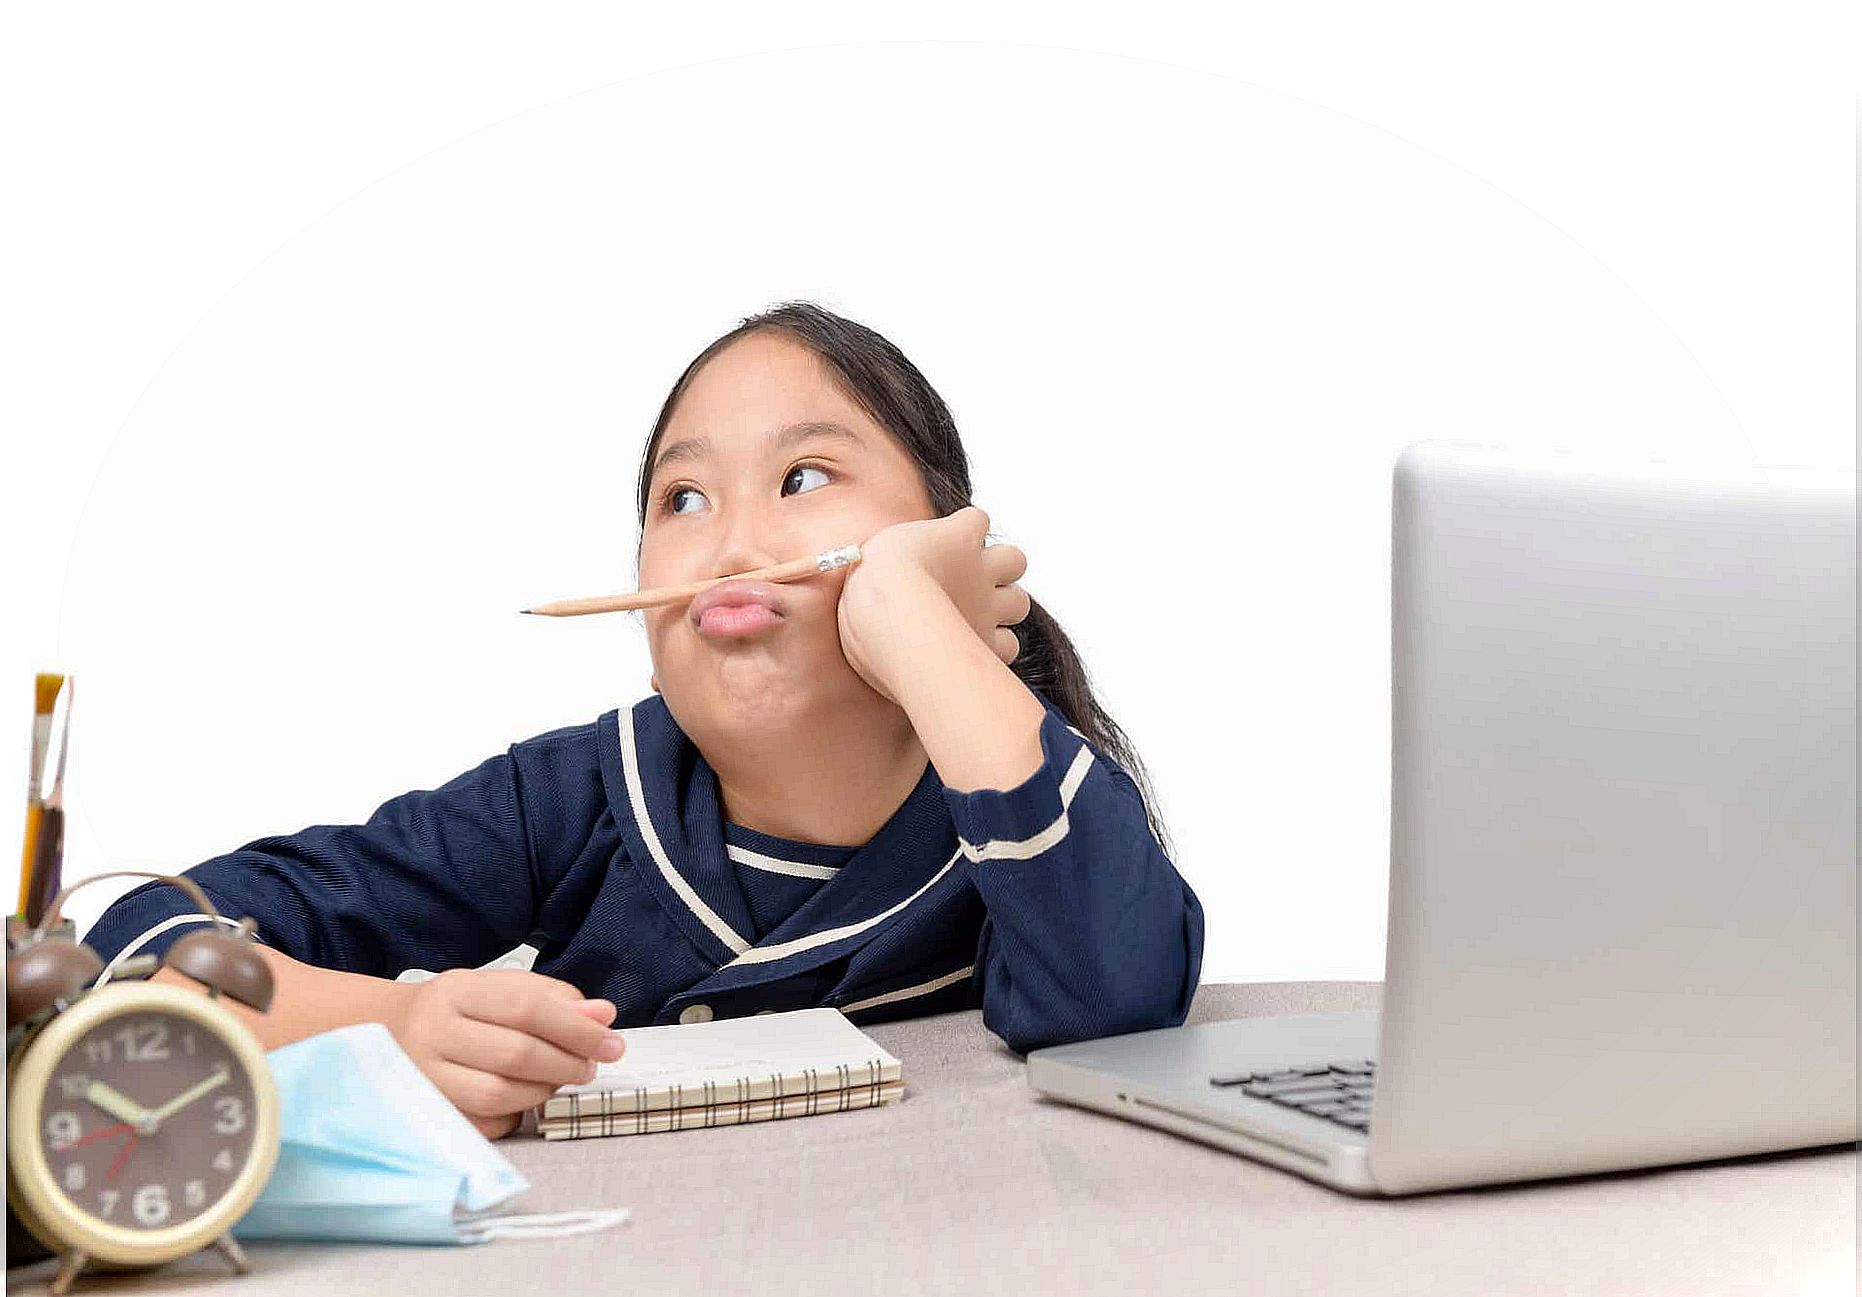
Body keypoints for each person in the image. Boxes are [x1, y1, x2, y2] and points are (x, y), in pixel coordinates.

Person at [82, 301, 1205, 1139]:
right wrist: (394, 1025)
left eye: (804, 476)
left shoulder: (1010, 794)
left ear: (942, 534)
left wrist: (924, 634)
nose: (728, 543)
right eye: (682, 499)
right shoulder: (565, 799)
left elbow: (1114, 1008)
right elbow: (128, 951)